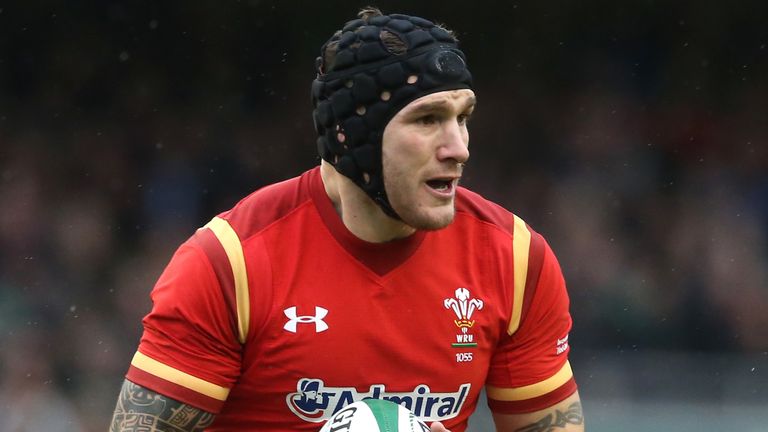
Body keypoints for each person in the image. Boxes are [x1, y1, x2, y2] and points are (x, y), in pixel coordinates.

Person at [110, 7, 584, 432]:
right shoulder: (228, 265)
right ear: (350, 134)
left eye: (462, 117)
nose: (458, 147)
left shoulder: (516, 260)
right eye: (426, 120)